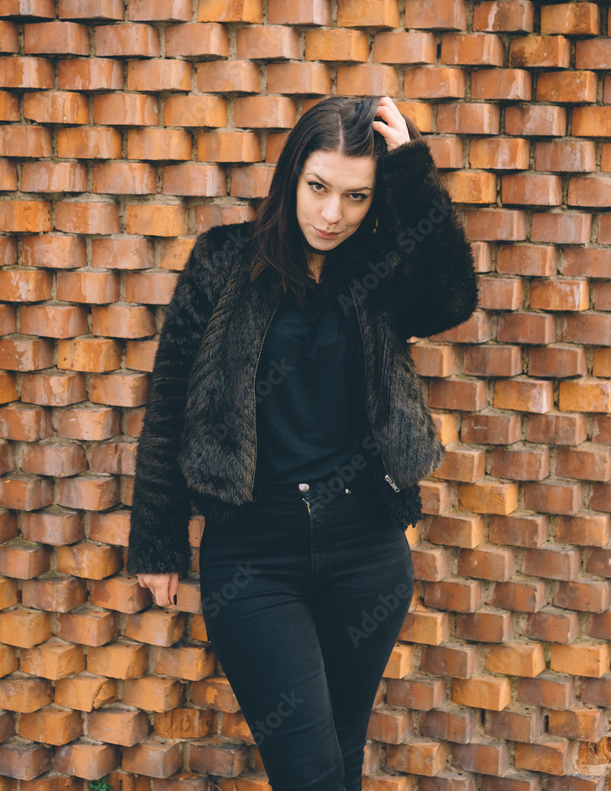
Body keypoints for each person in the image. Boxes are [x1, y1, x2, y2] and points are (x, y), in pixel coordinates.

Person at [126, 95, 479, 791]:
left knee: (340, 759)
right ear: (292, 175)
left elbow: (449, 299)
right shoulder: (223, 260)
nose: (331, 214)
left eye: (356, 196)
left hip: (366, 550)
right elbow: (169, 402)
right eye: (318, 187)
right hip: (254, 555)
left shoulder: (379, 270)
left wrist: (410, 171)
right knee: (311, 773)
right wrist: (157, 541)